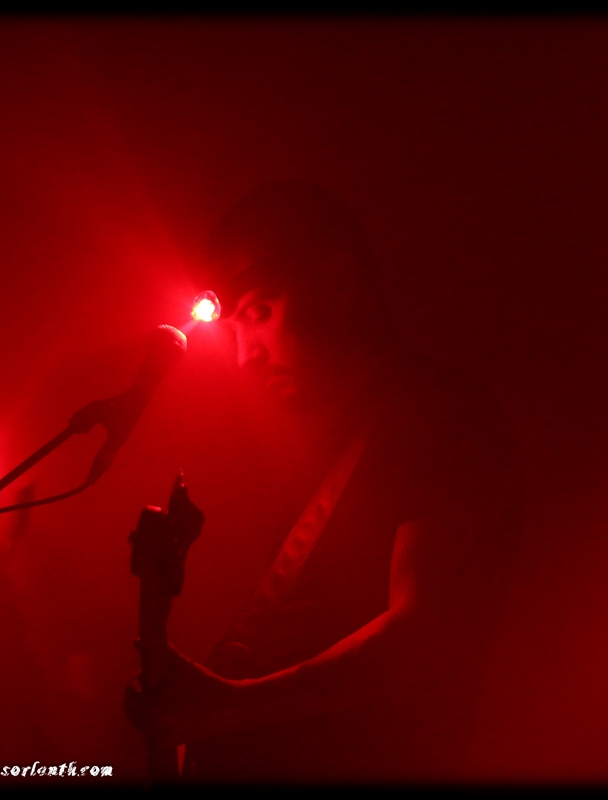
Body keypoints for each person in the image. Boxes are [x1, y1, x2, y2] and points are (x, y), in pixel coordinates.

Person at [125, 181, 520, 783]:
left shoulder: (442, 415)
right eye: (235, 329)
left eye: (259, 313)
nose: (245, 356)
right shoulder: (342, 440)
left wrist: (230, 708)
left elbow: (428, 635)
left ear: (338, 283)